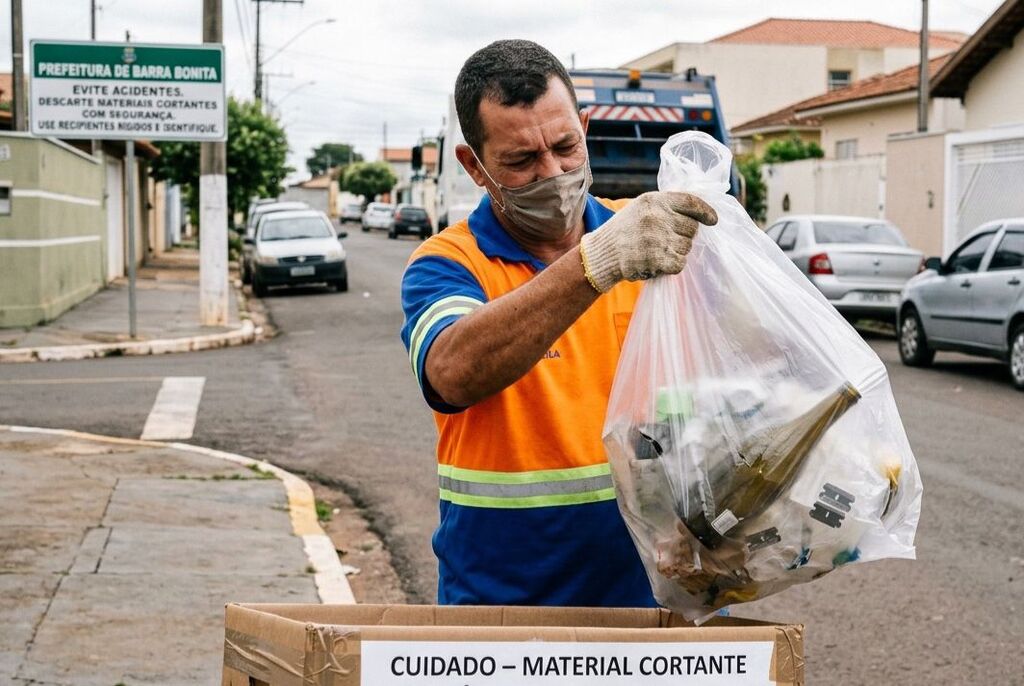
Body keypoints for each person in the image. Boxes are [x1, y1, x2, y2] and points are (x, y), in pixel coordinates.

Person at [400, 39, 717, 607]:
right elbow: (451, 372)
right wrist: (596, 264)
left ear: (585, 128)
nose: (554, 173)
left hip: (651, 599)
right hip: (500, 614)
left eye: (565, 146)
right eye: (521, 161)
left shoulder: (651, 239)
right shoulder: (448, 264)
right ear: (474, 165)